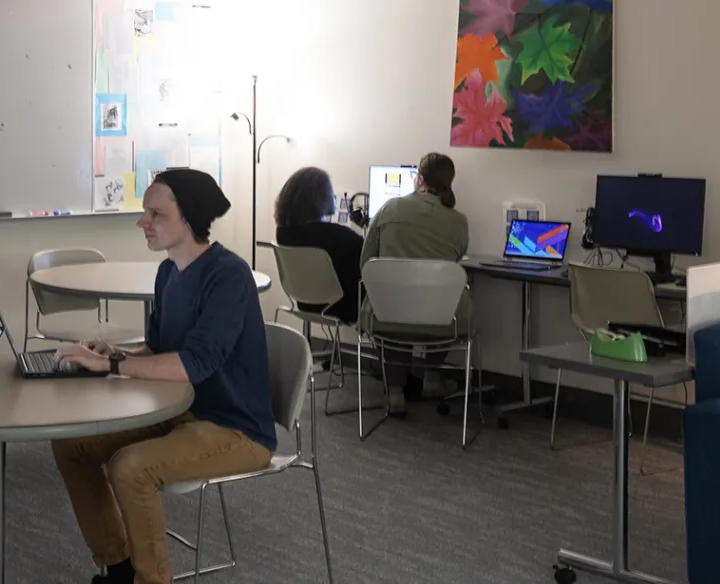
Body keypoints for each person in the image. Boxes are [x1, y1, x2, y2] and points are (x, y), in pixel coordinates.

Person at [51, 168, 276, 584]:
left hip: (234, 428)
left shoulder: (228, 275)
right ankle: (117, 567)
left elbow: (194, 364)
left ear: (188, 218)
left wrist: (115, 367)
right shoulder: (169, 272)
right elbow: (159, 351)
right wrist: (114, 353)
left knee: (131, 467)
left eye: (155, 213)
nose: (142, 222)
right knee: (71, 445)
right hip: (180, 411)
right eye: (144, 212)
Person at [358, 152, 472, 417]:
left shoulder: (389, 208)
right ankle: (432, 379)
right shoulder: (459, 221)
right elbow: (453, 263)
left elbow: (366, 264)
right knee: (447, 301)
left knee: (394, 315)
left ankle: (396, 393)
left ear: (418, 177)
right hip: (441, 319)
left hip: (387, 315)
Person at [273, 166, 363, 324]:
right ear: (317, 198)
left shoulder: (283, 233)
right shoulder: (341, 237)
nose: (333, 196)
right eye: (330, 191)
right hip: (345, 309)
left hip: (304, 303)